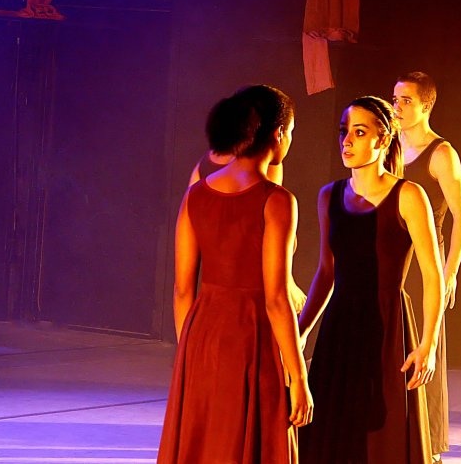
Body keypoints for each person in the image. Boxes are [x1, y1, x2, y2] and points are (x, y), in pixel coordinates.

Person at [158, 85, 313, 464]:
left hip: (202, 333)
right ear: (278, 133)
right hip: (252, 334)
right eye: (292, 131)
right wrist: (299, 377)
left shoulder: (196, 195)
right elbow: (276, 298)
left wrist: (188, 353)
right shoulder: (276, 200)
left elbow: (182, 289)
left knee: (205, 441)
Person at [298, 96, 445, 464]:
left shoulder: (408, 195)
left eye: (359, 132)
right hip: (340, 328)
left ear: (383, 139)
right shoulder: (328, 196)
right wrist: (299, 331)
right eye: (344, 131)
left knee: (383, 435)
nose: (347, 141)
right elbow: (326, 272)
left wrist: (428, 344)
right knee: (334, 433)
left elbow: (433, 275)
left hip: (387, 326)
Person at [392, 71, 461, 462]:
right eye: (395, 99)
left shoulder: (441, 154)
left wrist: (450, 270)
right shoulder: (388, 145)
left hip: (425, 260)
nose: (397, 107)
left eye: (406, 100)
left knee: (426, 344)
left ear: (426, 105)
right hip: (391, 256)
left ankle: (430, 443)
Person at [189, 147, 308, 314]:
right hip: (256, 302)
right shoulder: (267, 167)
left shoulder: (202, 171)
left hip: (215, 304)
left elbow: (183, 288)